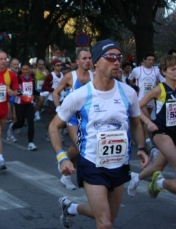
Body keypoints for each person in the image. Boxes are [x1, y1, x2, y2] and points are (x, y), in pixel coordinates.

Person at [49, 39, 149, 229]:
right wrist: (62, 157)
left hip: (119, 164)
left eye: (118, 57)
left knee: (108, 217)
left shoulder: (128, 93)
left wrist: (142, 147)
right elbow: (54, 126)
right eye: (110, 57)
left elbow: (136, 124)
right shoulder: (79, 95)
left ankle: (71, 208)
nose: (117, 62)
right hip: (91, 164)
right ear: (96, 62)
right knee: (104, 224)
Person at [132, 55, 176, 199]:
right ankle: (160, 183)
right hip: (162, 133)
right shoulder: (159, 89)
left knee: (157, 167)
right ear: (163, 72)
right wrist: (148, 122)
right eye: (173, 69)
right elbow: (137, 108)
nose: (175, 72)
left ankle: (136, 178)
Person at [52, 49, 93, 190]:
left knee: (80, 149)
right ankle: (63, 160)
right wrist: (58, 108)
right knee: (79, 145)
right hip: (73, 117)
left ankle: (66, 173)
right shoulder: (70, 76)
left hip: (88, 117)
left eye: (90, 58)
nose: (88, 60)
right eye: (84, 58)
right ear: (78, 61)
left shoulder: (94, 76)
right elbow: (55, 93)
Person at [127, 52, 161, 149]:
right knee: (148, 119)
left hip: (151, 99)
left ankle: (137, 137)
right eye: (149, 60)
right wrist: (133, 87)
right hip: (141, 99)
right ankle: (147, 140)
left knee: (141, 121)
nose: (151, 62)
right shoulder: (137, 70)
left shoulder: (156, 70)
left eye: (153, 60)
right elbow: (130, 79)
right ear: (144, 60)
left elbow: (160, 81)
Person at [7, 62, 40, 150]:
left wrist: (40, 93)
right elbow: (13, 90)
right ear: (21, 70)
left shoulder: (32, 78)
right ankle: (11, 128)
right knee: (20, 123)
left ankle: (31, 143)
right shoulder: (18, 78)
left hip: (29, 103)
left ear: (29, 69)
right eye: (23, 69)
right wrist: (22, 93)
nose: (25, 71)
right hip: (19, 103)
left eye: (27, 69)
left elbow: (33, 90)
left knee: (31, 122)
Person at [42, 58, 64, 141]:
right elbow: (44, 86)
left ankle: (59, 134)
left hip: (61, 98)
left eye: (60, 65)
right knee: (52, 118)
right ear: (53, 66)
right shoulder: (50, 75)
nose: (60, 67)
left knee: (61, 118)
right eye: (57, 65)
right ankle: (48, 133)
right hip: (52, 99)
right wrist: (53, 90)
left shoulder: (62, 75)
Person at [7, 57, 20, 123]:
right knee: (9, 116)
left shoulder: (20, 73)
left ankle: (13, 129)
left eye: (17, 64)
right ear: (10, 65)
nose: (16, 66)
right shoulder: (7, 73)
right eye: (14, 64)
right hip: (8, 96)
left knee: (16, 114)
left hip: (17, 95)